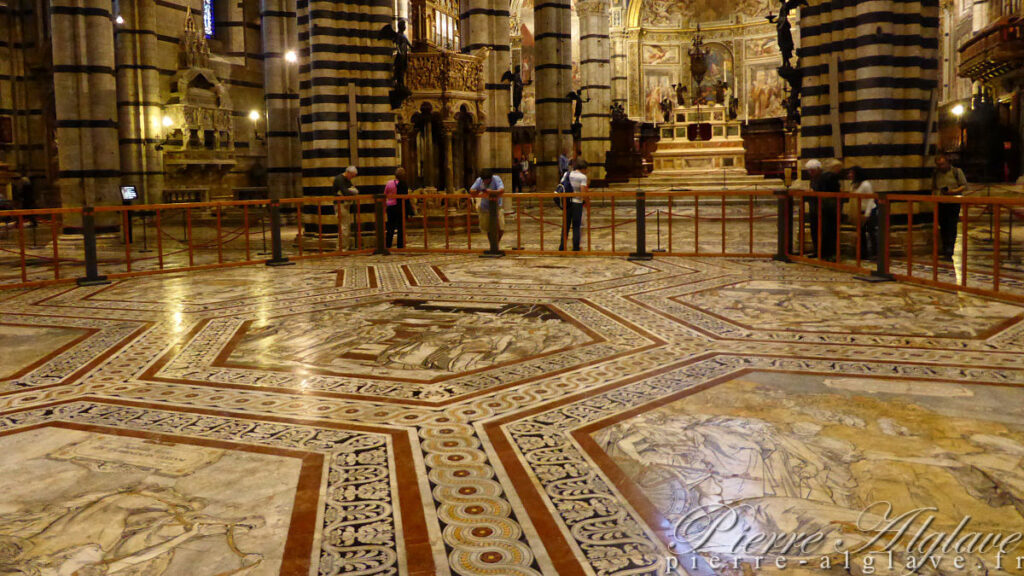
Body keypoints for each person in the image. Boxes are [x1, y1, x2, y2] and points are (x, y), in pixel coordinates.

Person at [932, 154, 967, 261]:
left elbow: (964, 185)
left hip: (953, 201)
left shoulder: (956, 172)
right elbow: (934, 187)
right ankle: (944, 245)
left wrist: (953, 191)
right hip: (941, 201)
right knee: (943, 225)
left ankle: (950, 248)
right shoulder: (936, 173)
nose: (941, 167)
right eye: (938, 165)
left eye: (942, 164)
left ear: (947, 163)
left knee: (951, 225)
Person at [559, 159, 589, 251]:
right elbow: (583, 192)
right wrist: (586, 201)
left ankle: (562, 247)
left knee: (565, 226)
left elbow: (562, 185)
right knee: (576, 226)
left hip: (567, 202)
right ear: (583, 168)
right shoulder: (582, 177)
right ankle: (575, 247)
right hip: (577, 203)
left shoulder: (567, 174)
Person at [816, 159, 843, 261]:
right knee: (832, 231)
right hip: (831, 206)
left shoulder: (822, 176)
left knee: (824, 230)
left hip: (823, 205)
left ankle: (823, 253)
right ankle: (831, 254)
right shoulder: (832, 177)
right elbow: (835, 190)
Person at [848, 165, 877, 260]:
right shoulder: (853, 184)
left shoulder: (866, 184)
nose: (850, 175)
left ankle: (875, 253)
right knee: (861, 233)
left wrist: (867, 214)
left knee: (871, 232)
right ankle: (863, 253)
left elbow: (870, 199)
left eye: (852, 173)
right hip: (859, 211)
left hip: (868, 210)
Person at [469, 168, 505, 242]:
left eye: (487, 180)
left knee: (501, 227)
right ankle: (492, 245)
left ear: (491, 178)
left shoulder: (496, 179)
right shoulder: (479, 180)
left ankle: (496, 244)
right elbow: (471, 190)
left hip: (497, 206)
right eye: (484, 181)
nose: (485, 182)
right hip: (485, 207)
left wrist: (491, 192)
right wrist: (479, 191)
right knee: (488, 228)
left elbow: (501, 190)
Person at [384, 167, 412, 249]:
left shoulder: (389, 183)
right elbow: (405, 197)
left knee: (390, 227)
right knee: (400, 227)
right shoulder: (403, 184)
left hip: (390, 207)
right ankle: (400, 245)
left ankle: (388, 244)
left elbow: (385, 193)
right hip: (400, 207)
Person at [332, 166, 358, 249]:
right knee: (344, 227)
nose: (352, 178)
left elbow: (354, 190)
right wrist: (351, 191)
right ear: (348, 173)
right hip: (340, 205)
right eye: (352, 176)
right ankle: (342, 247)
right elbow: (345, 192)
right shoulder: (340, 179)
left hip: (345, 205)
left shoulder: (347, 179)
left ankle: (344, 246)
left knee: (345, 226)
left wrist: (352, 191)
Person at [803, 159, 822, 256]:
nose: (810, 173)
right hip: (813, 208)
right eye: (809, 171)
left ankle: (821, 251)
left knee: (820, 231)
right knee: (814, 230)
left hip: (820, 208)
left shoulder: (822, 178)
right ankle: (816, 250)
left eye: (812, 170)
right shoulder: (813, 179)